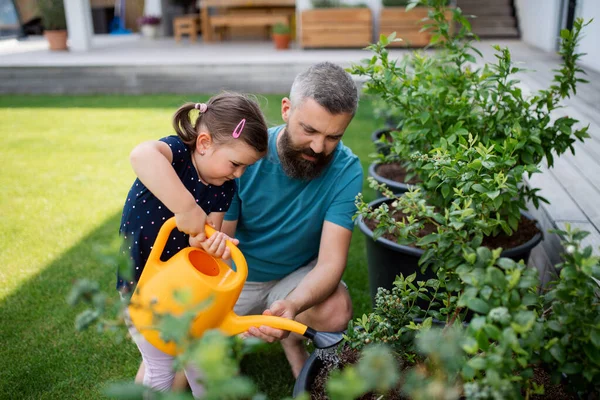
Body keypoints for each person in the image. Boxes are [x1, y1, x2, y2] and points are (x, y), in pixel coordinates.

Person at [118, 92, 269, 396]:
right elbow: (140, 155)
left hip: (186, 292)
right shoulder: (175, 154)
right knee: (160, 367)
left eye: (245, 168)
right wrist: (185, 207)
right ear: (203, 143)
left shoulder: (223, 188)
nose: (238, 174)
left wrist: (212, 244)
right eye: (235, 163)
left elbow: (199, 238)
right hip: (143, 287)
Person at [221, 61, 363, 378]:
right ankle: (256, 341)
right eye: (309, 130)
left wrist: (293, 306)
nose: (318, 147)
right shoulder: (244, 155)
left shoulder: (347, 170)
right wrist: (222, 312)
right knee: (185, 364)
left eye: (333, 137)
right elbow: (218, 249)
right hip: (237, 279)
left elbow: (330, 264)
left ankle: (290, 339)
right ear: (286, 109)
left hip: (295, 278)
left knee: (335, 308)